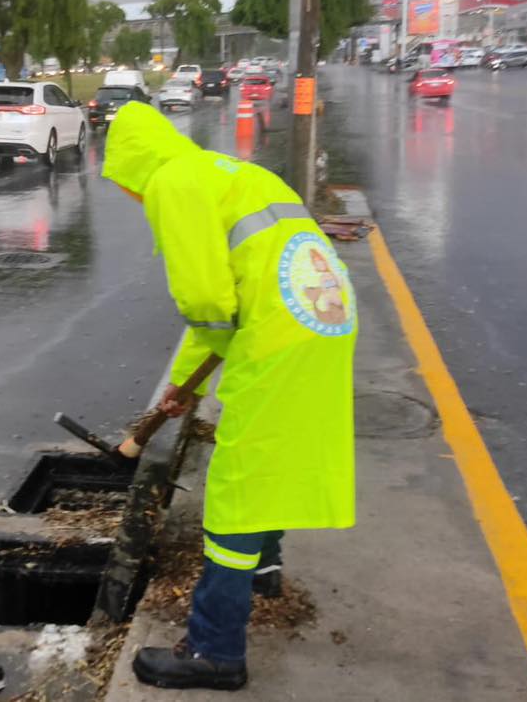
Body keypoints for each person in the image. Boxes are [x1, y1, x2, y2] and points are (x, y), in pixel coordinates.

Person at [103, 101, 357, 691]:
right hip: (324, 314)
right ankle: (264, 569)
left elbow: (208, 302)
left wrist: (188, 386)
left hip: (278, 332)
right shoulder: (229, 171)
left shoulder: (170, 182)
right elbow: (234, 292)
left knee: (239, 477)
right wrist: (181, 387)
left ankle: (215, 650)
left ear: (130, 167)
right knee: (277, 452)